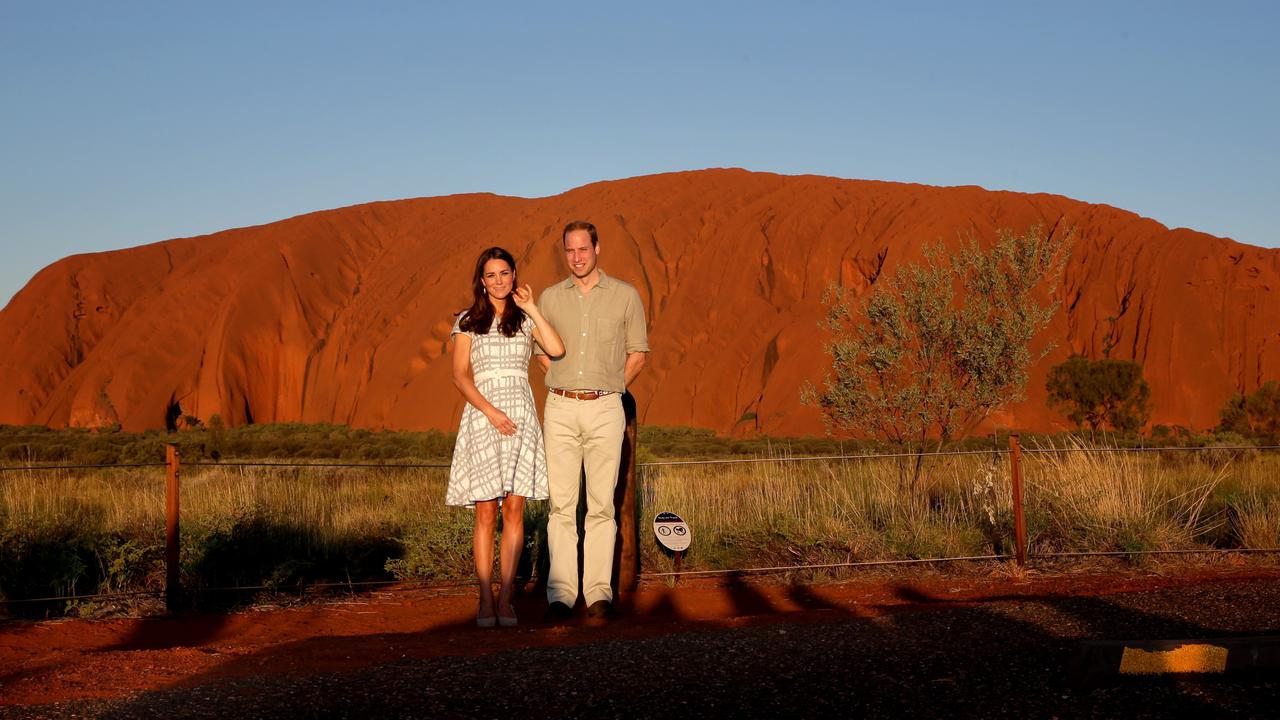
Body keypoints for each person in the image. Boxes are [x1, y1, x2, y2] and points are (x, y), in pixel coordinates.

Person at [536, 220, 648, 621]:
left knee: (601, 505)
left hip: (605, 407)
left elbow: (638, 352)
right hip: (561, 406)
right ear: (564, 252)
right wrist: (561, 380)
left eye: (583, 249)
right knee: (561, 506)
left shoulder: (625, 296)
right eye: (570, 250)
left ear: (597, 248)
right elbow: (541, 352)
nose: (577, 257)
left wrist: (613, 388)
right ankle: (561, 595)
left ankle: (599, 592)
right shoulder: (550, 298)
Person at [448, 246, 564, 628]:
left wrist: (532, 308)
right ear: (481, 281)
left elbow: (556, 348)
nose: (499, 281)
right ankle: (484, 598)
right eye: (491, 275)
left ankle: (506, 598)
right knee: (486, 510)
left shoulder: (525, 321)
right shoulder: (467, 321)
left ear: (515, 275)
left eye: (505, 273)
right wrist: (490, 411)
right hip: (484, 417)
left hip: (522, 416)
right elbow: (461, 375)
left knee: (515, 508)